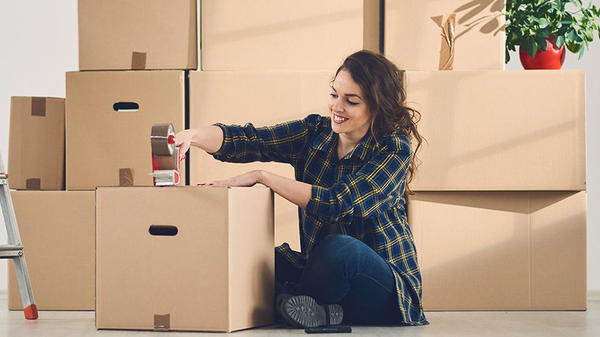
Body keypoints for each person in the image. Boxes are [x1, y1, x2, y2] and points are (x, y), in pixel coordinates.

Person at [175, 50, 428, 327]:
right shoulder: (314, 133)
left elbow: (337, 204)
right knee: (253, 262)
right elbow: (251, 139)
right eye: (334, 95)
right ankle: (322, 311)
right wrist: (193, 136)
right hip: (326, 279)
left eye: (351, 101)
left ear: (376, 107)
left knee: (340, 250)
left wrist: (263, 176)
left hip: (383, 290)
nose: (337, 108)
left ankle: (291, 303)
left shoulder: (393, 148)